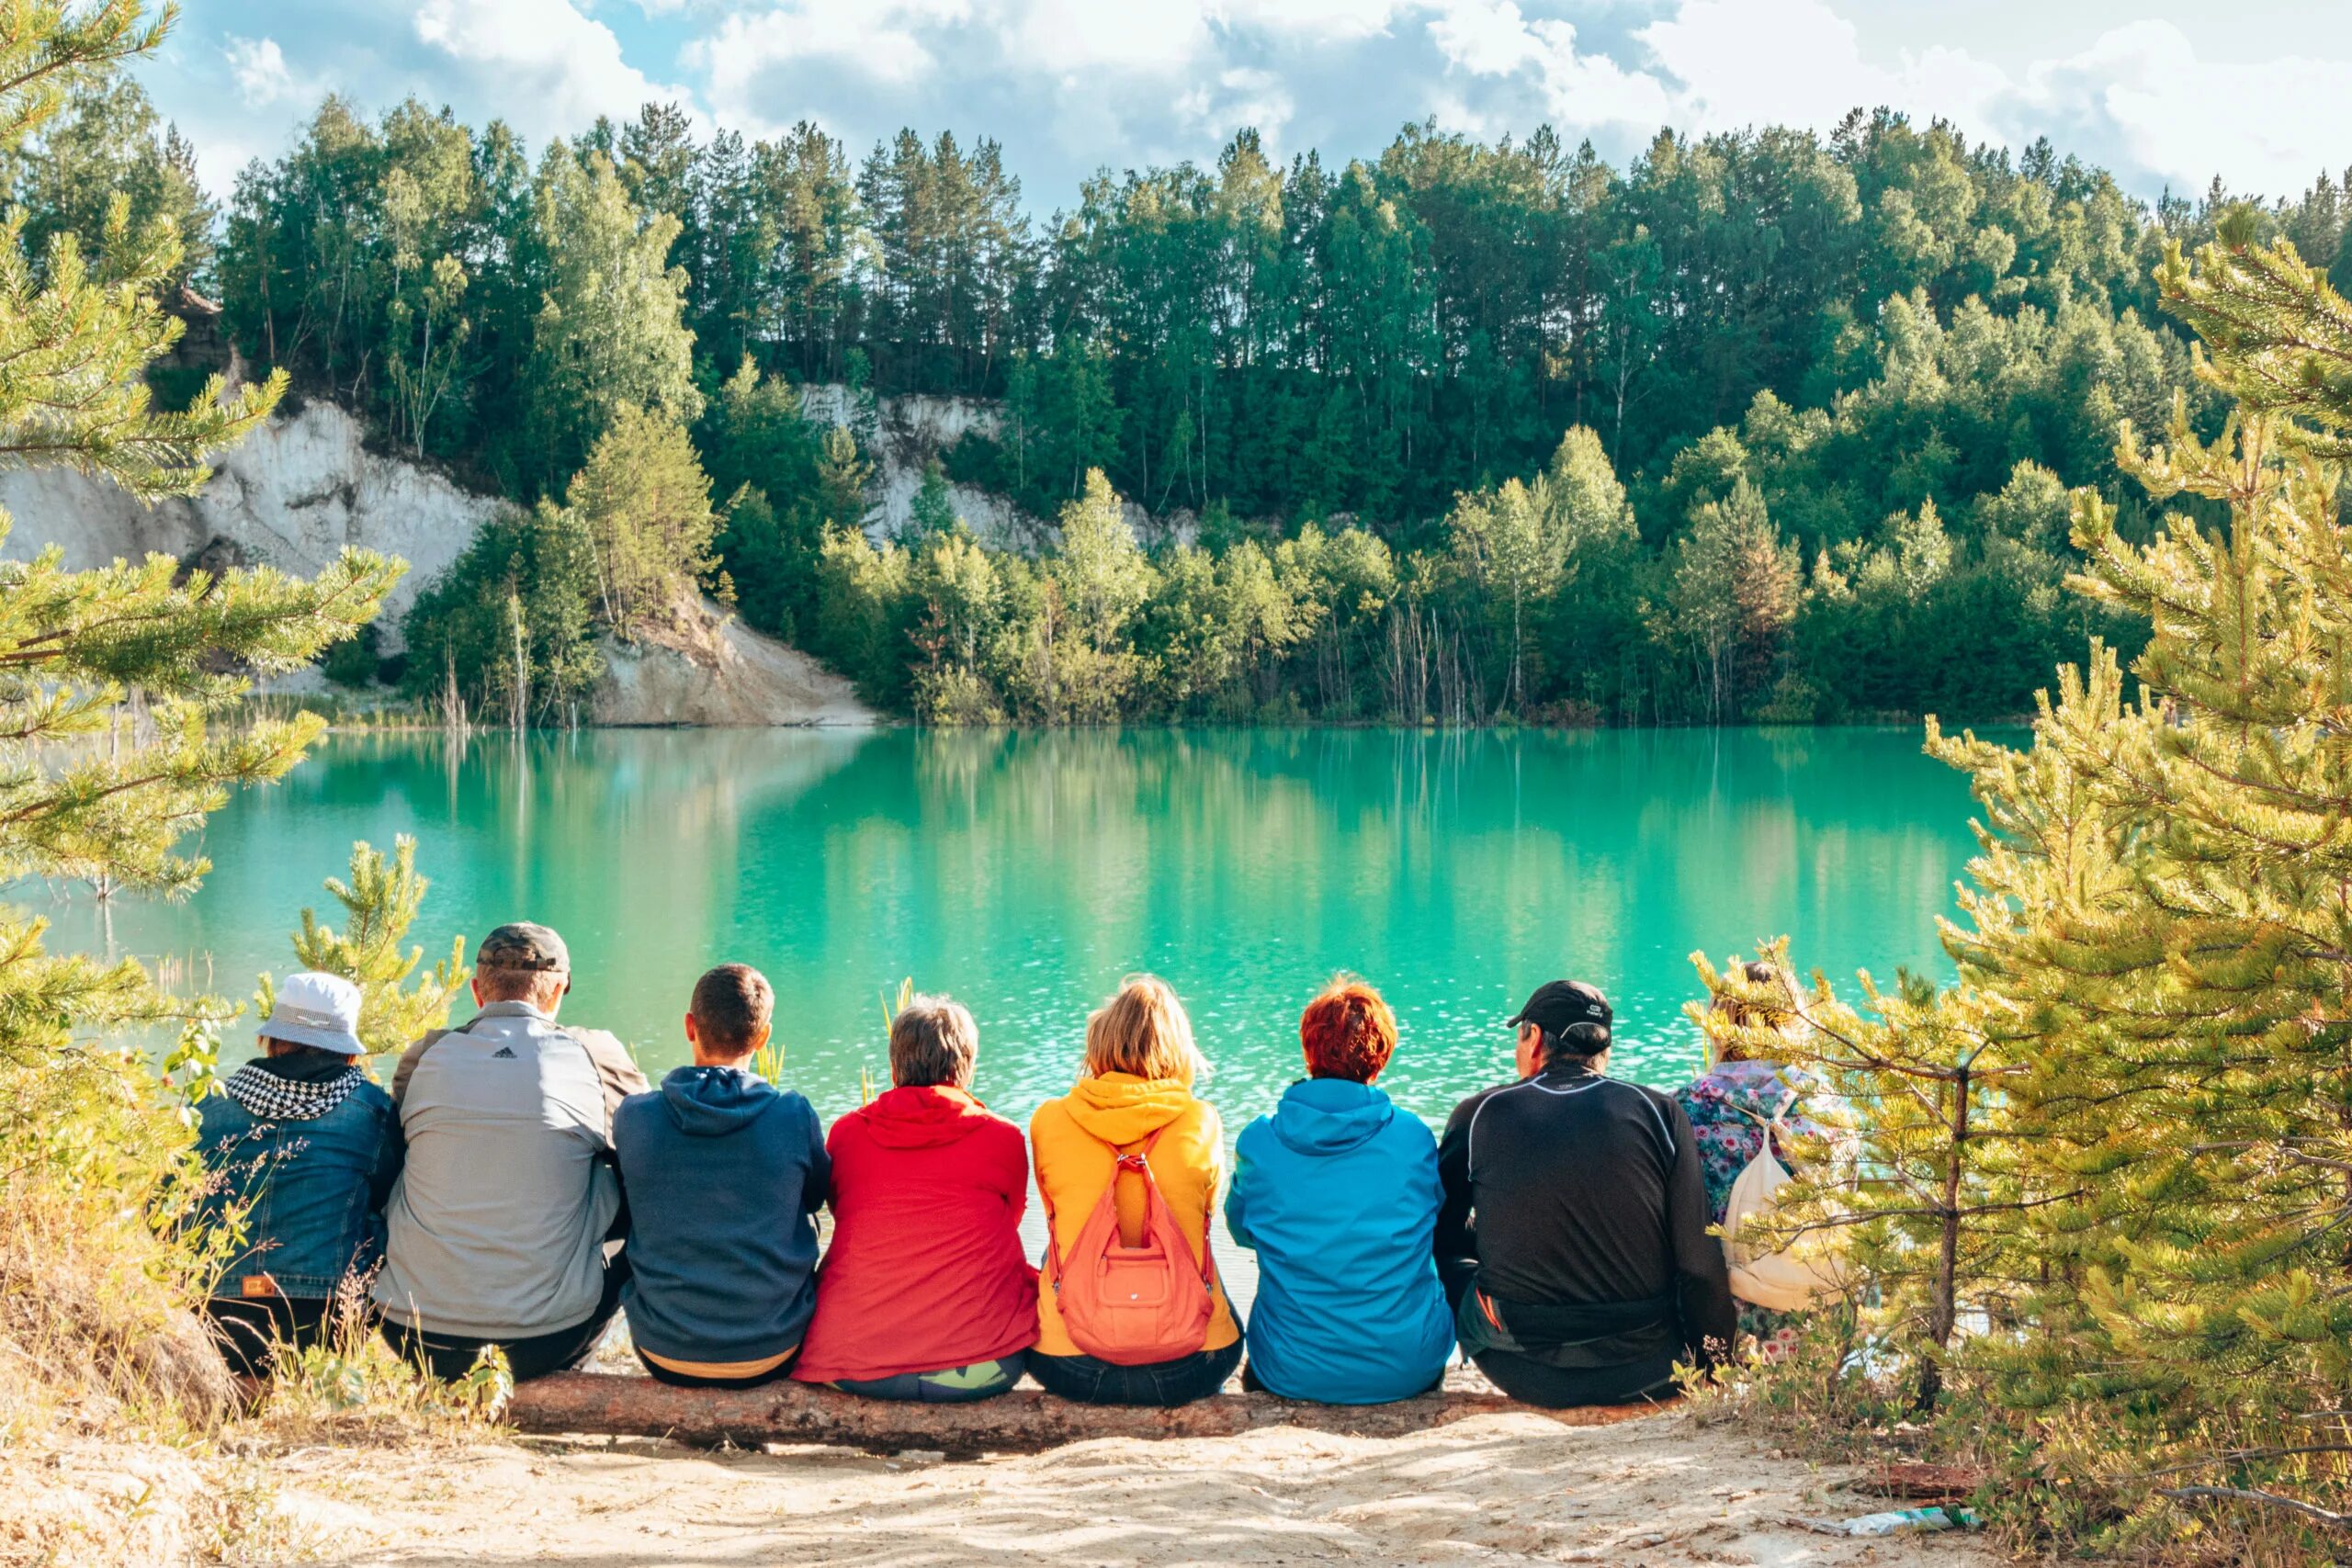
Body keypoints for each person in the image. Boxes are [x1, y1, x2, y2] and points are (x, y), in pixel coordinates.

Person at [1435, 979, 1736, 1408]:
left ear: (1534, 1038)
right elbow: (1699, 1265)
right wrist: (1711, 1366)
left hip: (1520, 1369)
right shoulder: (1658, 1112)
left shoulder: (1481, 1114)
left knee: (1448, 1259)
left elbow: (1439, 1233)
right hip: (1646, 1367)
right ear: (1603, 1048)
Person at [374, 922, 649, 1382]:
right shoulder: (593, 1053)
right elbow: (650, 1147)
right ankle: (577, 1358)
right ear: (558, 989)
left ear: (478, 991)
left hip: (415, 1336)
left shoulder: (426, 1054)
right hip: (546, 1341)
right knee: (622, 1185)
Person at [794, 995, 1035, 1401]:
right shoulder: (1003, 1138)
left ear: (894, 1067)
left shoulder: (848, 1134)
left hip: (851, 1364)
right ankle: (963, 1449)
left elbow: (847, 1213)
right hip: (982, 1367)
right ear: (967, 1068)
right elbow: (1005, 1222)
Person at [1225, 977, 1453, 1404]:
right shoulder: (1414, 1138)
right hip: (1405, 1368)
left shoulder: (1259, 1142)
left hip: (1290, 1368)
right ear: (1380, 1058)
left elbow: (1241, 1231)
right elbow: (1433, 1219)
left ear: (1309, 1051)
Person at [1028, 976, 1242, 1406]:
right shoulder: (1202, 1121)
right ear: (1178, 1049)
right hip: (1190, 1364)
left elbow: (1050, 1206)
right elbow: (1207, 1212)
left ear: (1100, 1043)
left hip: (1074, 1364)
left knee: (1052, 1250)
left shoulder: (1049, 1121)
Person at [615, 964, 828, 1388]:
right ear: (764, 1037)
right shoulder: (792, 1115)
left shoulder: (636, 1116)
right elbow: (817, 1197)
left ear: (690, 1026)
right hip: (774, 1350)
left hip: (663, 1350)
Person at [196, 971, 401, 1379]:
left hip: (213, 1319)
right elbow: (392, 1197)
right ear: (347, 1050)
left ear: (272, 1040)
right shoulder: (372, 1111)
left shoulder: (210, 1105)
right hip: (322, 1326)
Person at [1675, 959, 1848, 1361]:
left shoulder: (1687, 1106)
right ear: (1795, 1018)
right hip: (1822, 1314)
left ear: (1718, 1021)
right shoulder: (1826, 1100)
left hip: (1724, 1323)